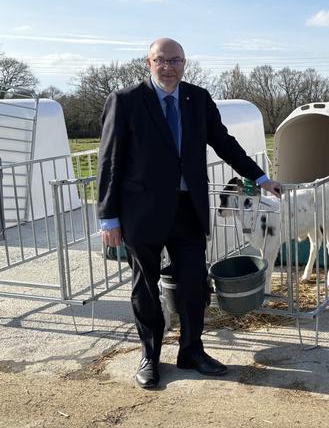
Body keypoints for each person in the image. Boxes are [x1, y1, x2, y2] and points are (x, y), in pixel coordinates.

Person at [97, 38, 281, 389]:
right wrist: (109, 217)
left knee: (194, 284)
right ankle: (150, 356)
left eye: (176, 61)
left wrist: (259, 177)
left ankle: (191, 350)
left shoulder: (197, 98)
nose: (169, 67)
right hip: (143, 211)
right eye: (161, 60)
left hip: (187, 208)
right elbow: (109, 160)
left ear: (185, 63)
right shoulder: (126, 101)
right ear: (148, 63)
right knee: (146, 286)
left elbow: (224, 141)